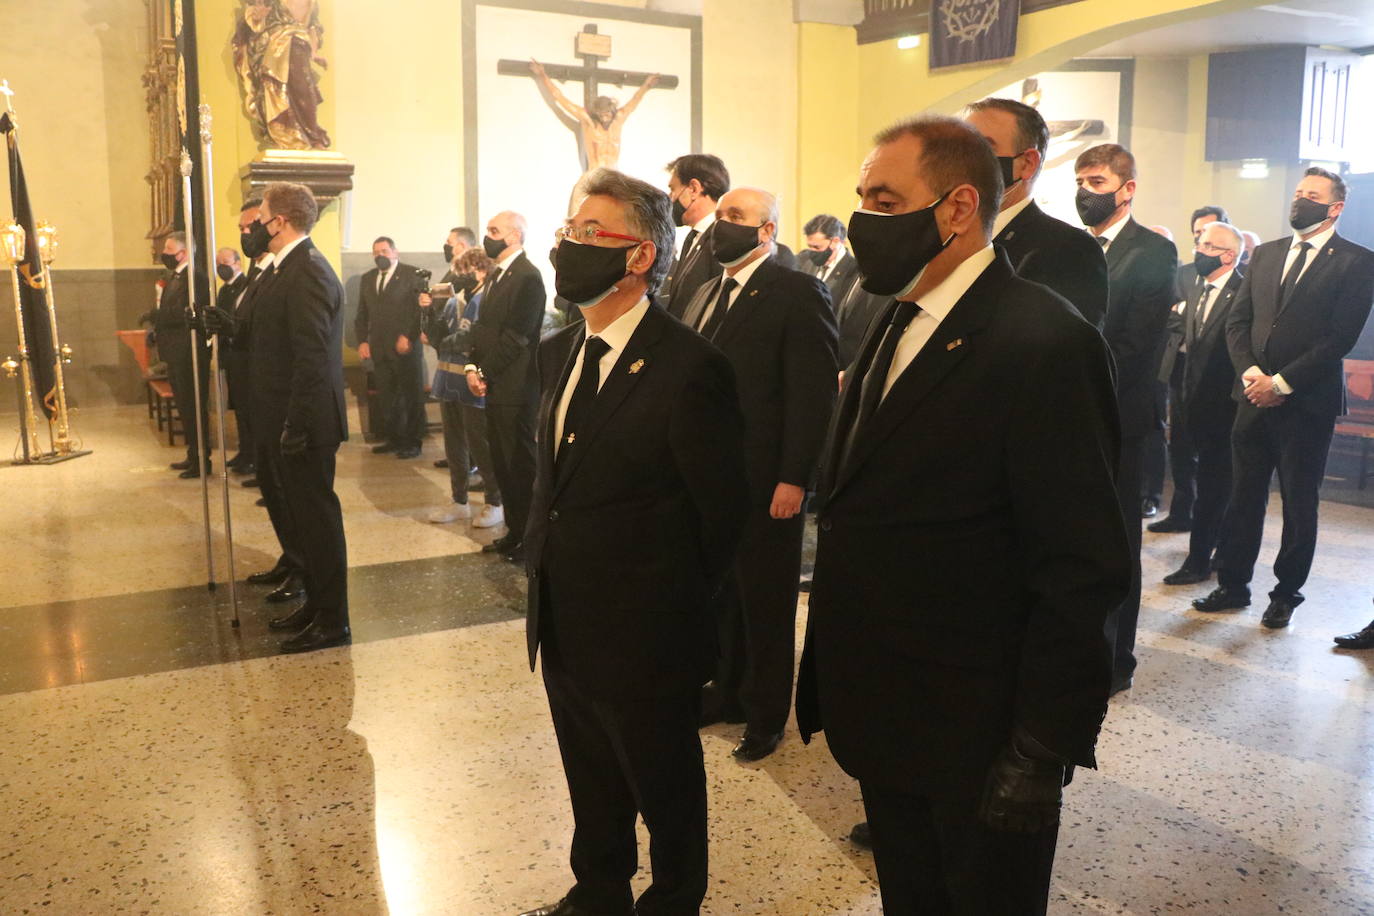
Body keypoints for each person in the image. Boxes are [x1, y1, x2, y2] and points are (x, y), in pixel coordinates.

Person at [796, 115, 1129, 916]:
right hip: (889, 705)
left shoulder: (1043, 340)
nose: (864, 218)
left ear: (956, 208)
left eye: (885, 198)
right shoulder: (896, 314)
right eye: (862, 197)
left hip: (980, 725)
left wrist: (1040, 748)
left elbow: (1082, 565)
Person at [518, 168, 748, 916]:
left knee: (666, 786)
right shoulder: (559, 353)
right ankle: (599, 889)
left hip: (648, 630)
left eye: (590, 234)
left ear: (640, 256)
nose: (569, 247)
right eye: (569, 232)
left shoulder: (690, 368)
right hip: (565, 615)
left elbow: (723, 517)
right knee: (589, 772)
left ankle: (674, 899)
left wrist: (666, 607)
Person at [678, 187, 838, 762]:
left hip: (768, 477)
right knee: (722, 596)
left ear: (766, 231)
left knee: (766, 602)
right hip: (712, 479)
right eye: (720, 216)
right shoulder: (704, 291)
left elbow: (811, 394)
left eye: (736, 218)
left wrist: (795, 477)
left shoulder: (797, 291)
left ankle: (768, 715)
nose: (723, 225)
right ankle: (727, 693)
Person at [1196, 168, 1374, 628]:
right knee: (1243, 496)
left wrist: (1282, 383)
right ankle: (1233, 584)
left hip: (1306, 402)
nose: (1300, 201)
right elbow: (1239, 322)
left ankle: (1286, 592)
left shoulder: (1356, 261)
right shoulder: (1268, 253)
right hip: (1252, 395)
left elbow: (1339, 338)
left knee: (1298, 502)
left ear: (1335, 207)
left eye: (1311, 195)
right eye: (1297, 193)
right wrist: (1254, 375)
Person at [1076, 142, 1179, 694]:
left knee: (1118, 543)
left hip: (1118, 411)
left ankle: (1117, 658)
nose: (1084, 193)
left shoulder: (1152, 252)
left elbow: (1135, 344)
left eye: (1096, 182)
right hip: (1069, 415)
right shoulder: (1074, 248)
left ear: (1126, 188)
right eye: (1081, 182)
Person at [248, 181, 351, 653]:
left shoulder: (307, 269)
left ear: (280, 221)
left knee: (318, 520)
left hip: (307, 419)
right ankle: (316, 605)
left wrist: (297, 422)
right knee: (304, 521)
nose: (256, 225)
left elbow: (311, 356)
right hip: (287, 414)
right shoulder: (286, 268)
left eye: (262, 216)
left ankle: (334, 620)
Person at [964, 97, 1109, 328]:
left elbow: (1069, 349)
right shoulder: (947, 237)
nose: (962, 160)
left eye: (981, 148)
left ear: (1027, 163)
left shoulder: (1070, 249)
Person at [1160, 222, 1245, 586]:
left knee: (1218, 488)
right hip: (1191, 401)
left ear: (1228, 255)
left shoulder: (1245, 291)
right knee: (1205, 484)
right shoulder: (1196, 288)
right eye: (1199, 241)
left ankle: (1206, 560)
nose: (1199, 248)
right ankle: (1201, 557)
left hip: (1226, 408)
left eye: (1209, 245)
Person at [466, 210, 545, 564]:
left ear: (514, 236)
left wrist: (485, 372)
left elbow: (517, 336)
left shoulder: (528, 276)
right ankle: (513, 532)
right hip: (497, 384)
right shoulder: (499, 275)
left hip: (515, 388)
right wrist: (472, 366)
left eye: (494, 230)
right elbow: (483, 329)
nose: (488, 236)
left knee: (519, 467)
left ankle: (530, 539)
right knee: (502, 464)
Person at [1149, 205, 1232, 533]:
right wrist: (1187, 315)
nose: (1202, 240)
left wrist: (1188, 314)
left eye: (1209, 232)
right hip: (1180, 369)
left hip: (1217, 377)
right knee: (1181, 448)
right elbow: (1169, 316)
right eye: (1197, 234)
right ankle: (1181, 512)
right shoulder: (1184, 273)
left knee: (1213, 455)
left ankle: (1211, 525)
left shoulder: (1237, 279)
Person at [420, 246, 504, 529]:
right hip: (449, 380)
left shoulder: (486, 299)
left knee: (480, 445)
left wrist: (447, 341)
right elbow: (435, 337)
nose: (457, 277)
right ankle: (459, 501)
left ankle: (495, 501)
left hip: (473, 381)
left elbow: (473, 339)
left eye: (462, 271)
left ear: (479, 269)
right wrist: (427, 311)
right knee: (454, 444)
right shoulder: (456, 299)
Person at [356, 236, 426, 459]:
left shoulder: (412, 274)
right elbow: (361, 315)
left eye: (385, 251)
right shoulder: (367, 279)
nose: (380, 255)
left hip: (405, 347)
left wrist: (409, 336)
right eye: (376, 252)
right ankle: (394, 439)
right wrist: (362, 341)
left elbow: (419, 312)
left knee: (410, 396)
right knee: (388, 397)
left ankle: (413, 442)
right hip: (379, 348)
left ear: (395, 252)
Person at [155, 232, 211, 479]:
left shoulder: (195, 277)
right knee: (184, 407)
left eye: (169, 248)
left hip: (189, 352)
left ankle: (202, 460)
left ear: (184, 252)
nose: (165, 253)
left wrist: (161, 317)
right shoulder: (176, 275)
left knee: (193, 406)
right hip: (175, 351)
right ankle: (192, 454)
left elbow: (191, 312)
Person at [661, 154, 729, 317]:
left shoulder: (722, 238)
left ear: (693, 189)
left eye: (673, 189)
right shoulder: (693, 238)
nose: (670, 198)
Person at [214, 247, 254, 474]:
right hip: (229, 356)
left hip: (243, 356)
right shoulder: (224, 290)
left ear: (238, 263)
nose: (222, 266)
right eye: (218, 262)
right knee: (238, 406)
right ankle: (244, 450)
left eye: (226, 261)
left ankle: (253, 454)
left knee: (247, 407)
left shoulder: (246, 286)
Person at [800, 214, 859, 302]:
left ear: (835, 241)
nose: (812, 252)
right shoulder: (806, 263)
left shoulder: (855, 271)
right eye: (809, 246)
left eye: (817, 247)